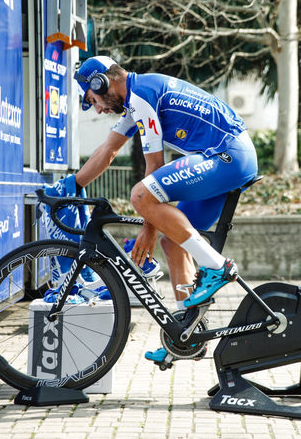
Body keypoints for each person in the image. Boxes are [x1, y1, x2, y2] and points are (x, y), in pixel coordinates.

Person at [72, 56, 258, 364]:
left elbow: (154, 169)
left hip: (228, 156)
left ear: (101, 83)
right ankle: (185, 332)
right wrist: (72, 185)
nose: (99, 109)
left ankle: (217, 267)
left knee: (140, 194)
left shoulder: (141, 95)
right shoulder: (135, 101)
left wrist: (148, 225)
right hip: (228, 157)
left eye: (93, 100)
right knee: (172, 244)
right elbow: (108, 149)